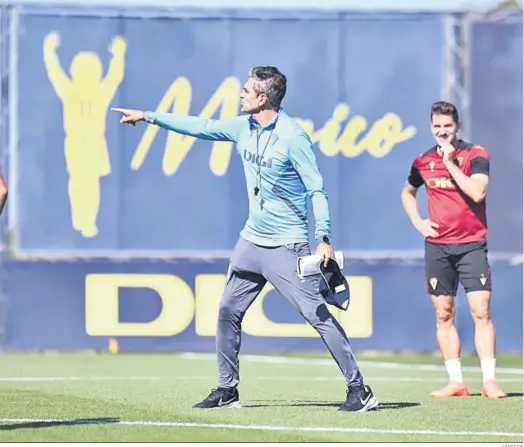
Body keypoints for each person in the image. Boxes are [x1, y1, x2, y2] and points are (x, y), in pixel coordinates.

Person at [113, 66, 378, 412]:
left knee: (317, 315)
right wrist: (148, 117)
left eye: (247, 89)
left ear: (262, 98)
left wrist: (323, 237)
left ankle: (360, 390)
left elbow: (317, 189)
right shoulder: (244, 126)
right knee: (226, 310)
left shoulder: (293, 136)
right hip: (251, 241)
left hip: (287, 246)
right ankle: (227, 390)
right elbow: (201, 127)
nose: (241, 94)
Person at [401, 101, 506, 399]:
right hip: (437, 247)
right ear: (431, 127)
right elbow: (408, 192)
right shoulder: (422, 161)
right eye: (437, 127)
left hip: (472, 244)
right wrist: (418, 221)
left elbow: (477, 191)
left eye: (447, 126)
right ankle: (456, 382)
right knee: (443, 313)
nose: (442, 132)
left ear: (457, 126)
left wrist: (449, 163)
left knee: (480, 310)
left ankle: (489, 381)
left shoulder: (476, 155)